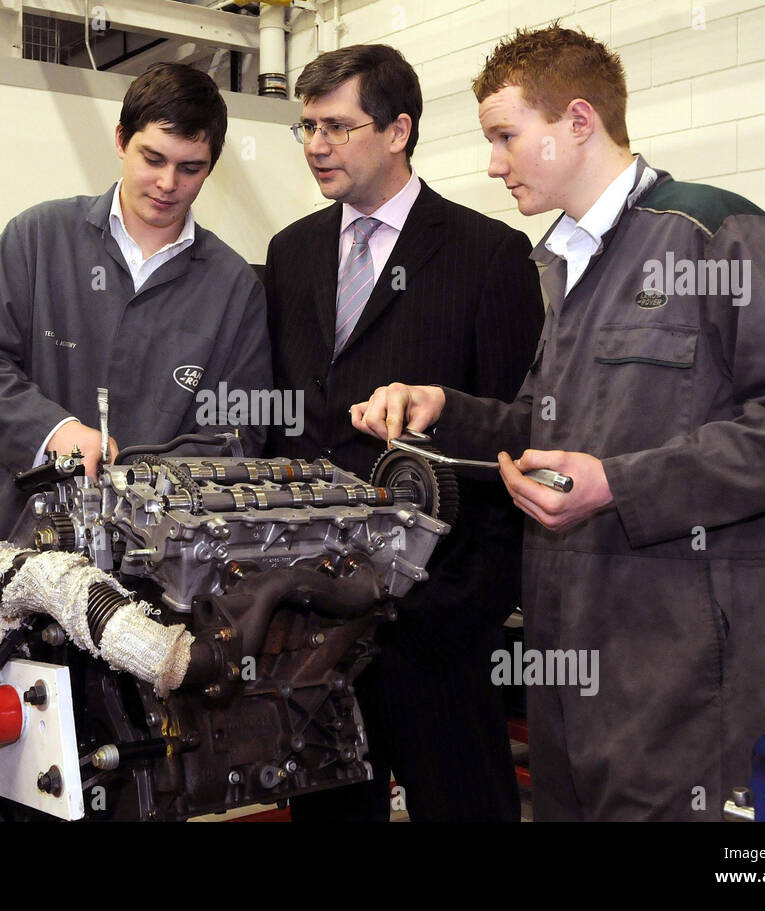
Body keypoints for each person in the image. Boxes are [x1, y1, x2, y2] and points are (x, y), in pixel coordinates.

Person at [352, 26, 765, 821]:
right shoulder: (564, 263)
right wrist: (445, 409)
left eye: (506, 137)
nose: (494, 163)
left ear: (579, 122)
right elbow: (544, 426)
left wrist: (621, 484)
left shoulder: (713, 234)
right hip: (570, 669)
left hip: (683, 679)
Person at [264, 44, 544, 821]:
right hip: (315, 619)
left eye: (337, 126)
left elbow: (517, 437)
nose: (317, 144)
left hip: (436, 623)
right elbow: (283, 422)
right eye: (307, 126)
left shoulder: (488, 255)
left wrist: (464, 608)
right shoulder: (289, 254)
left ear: (398, 131)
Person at [0, 63, 271, 541]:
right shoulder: (37, 238)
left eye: (190, 168)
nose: (167, 183)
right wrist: (54, 431)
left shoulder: (234, 286)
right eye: (152, 158)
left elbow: (242, 430)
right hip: (29, 540)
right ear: (120, 140)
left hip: (164, 553)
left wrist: (142, 483)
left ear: (211, 167)